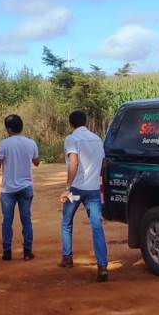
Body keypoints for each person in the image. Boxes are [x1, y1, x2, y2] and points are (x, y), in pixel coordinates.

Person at [59, 110, 108, 282]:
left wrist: (67, 187)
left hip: (76, 191)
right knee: (96, 226)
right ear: (85, 122)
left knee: (66, 222)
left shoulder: (72, 139)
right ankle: (102, 266)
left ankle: (67, 258)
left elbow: (73, 162)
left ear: (71, 124)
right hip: (93, 191)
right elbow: (103, 163)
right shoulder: (97, 139)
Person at [0, 114, 39, 261]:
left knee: (7, 220)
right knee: (26, 220)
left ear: (8, 128)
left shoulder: (4, 143)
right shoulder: (30, 143)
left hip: (8, 189)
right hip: (26, 186)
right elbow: (36, 162)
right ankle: (27, 251)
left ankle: (7, 252)